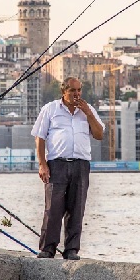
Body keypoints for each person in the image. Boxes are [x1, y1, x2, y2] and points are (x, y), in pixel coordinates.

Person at [31, 77, 104, 260]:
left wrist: (88, 113)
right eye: (72, 90)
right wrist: (42, 164)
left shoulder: (88, 111)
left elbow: (99, 134)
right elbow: (40, 138)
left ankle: (71, 249)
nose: (77, 94)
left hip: (81, 164)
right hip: (57, 164)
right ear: (64, 91)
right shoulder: (50, 109)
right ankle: (48, 248)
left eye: (79, 90)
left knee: (76, 208)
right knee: (53, 208)